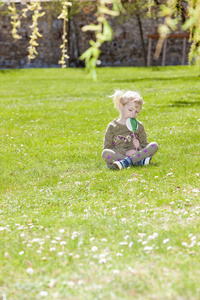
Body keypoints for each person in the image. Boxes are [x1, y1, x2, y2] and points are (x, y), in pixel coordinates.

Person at [102, 90, 159, 170]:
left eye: (136, 112)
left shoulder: (139, 126)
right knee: (105, 153)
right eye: (130, 110)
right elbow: (108, 148)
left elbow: (145, 146)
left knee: (154, 145)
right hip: (120, 156)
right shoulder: (112, 126)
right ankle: (137, 162)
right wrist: (126, 152)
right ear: (121, 106)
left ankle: (125, 163)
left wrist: (139, 146)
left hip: (136, 154)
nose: (133, 114)